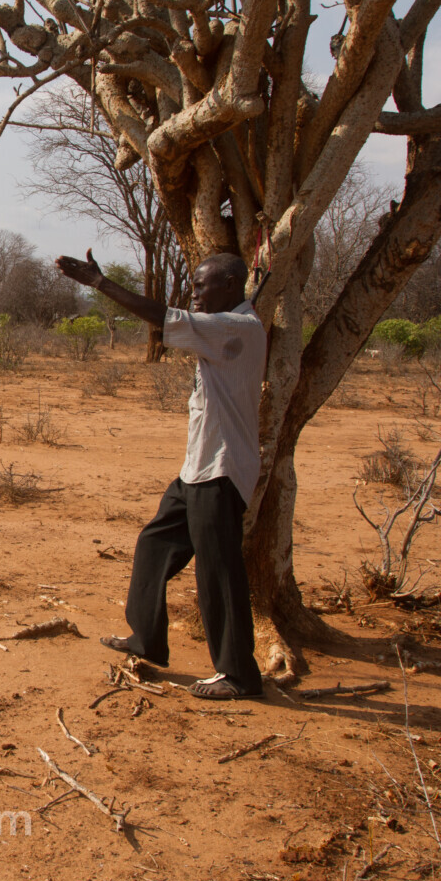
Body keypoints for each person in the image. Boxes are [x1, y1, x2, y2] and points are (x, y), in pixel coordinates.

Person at [54, 248, 264, 699]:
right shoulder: (229, 324)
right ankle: (146, 637)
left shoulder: (236, 326)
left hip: (222, 470)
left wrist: (100, 284)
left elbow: (163, 317)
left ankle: (239, 675)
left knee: (219, 572)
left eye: (202, 285)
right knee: (154, 544)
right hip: (198, 469)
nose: (196, 294)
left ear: (230, 286)